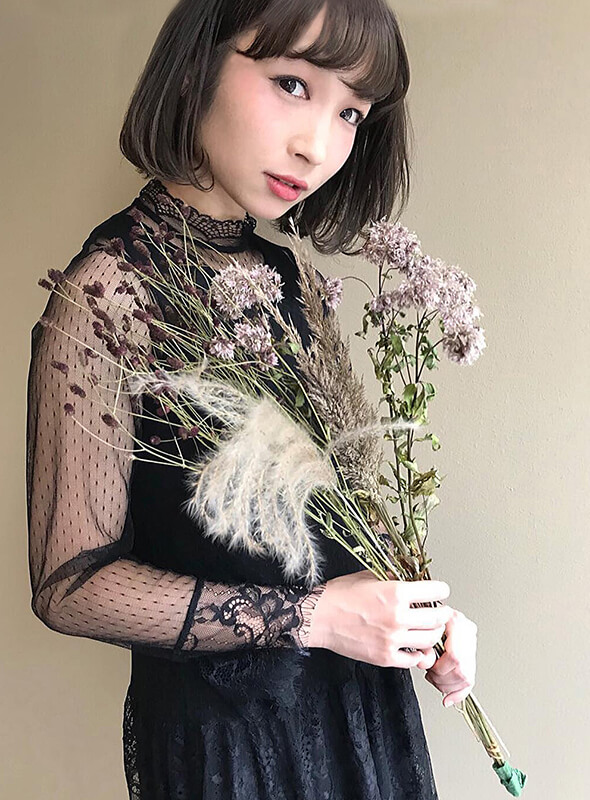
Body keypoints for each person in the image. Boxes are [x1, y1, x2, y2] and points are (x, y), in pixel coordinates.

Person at [26, 1, 477, 798]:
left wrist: (417, 613)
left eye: (351, 113)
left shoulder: (290, 276)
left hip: (359, 709)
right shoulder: (109, 295)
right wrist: (313, 617)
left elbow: (337, 504)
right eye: (292, 84)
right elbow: (70, 586)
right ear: (197, 63)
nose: (317, 147)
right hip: (232, 747)